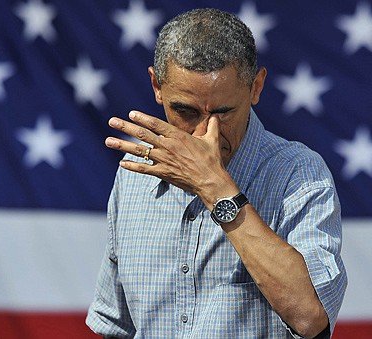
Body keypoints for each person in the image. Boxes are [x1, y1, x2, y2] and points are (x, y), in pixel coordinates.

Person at [86, 8, 347, 339]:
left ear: (255, 87)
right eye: (185, 111)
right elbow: (116, 326)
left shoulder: (299, 174)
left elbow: (310, 319)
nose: (203, 134)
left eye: (223, 113)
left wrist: (216, 188)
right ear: (156, 85)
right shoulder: (135, 175)